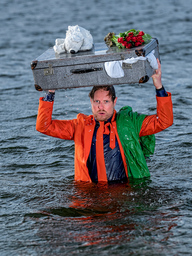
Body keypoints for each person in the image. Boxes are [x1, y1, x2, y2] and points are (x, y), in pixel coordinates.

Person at [36, 59, 173, 183]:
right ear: (91, 102)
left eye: (106, 101)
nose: (101, 107)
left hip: (125, 192)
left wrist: (159, 86)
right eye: (97, 102)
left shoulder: (130, 122)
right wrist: (50, 93)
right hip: (90, 194)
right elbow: (44, 126)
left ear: (114, 102)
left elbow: (164, 121)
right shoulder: (79, 125)